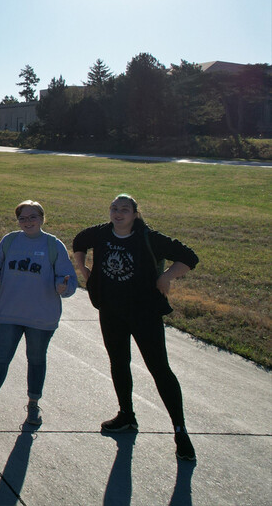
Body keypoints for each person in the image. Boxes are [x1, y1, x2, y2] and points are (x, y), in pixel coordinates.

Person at [72, 194, 200, 461]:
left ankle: (180, 431)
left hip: (145, 314)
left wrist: (166, 276)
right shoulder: (101, 233)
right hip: (111, 312)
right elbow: (80, 241)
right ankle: (126, 416)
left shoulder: (148, 237)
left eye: (124, 209)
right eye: (114, 208)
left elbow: (188, 257)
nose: (118, 213)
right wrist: (82, 267)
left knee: (159, 369)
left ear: (134, 213)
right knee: (119, 362)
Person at [0, 200, 77, 425]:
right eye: (22, 218)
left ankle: (33, 405)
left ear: (42, 218)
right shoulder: (10, 241)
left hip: (41, 317)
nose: (27, 222)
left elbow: (68, 279)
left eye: (32, 216)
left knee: (36, 360)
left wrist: (63, 287)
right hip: (9, 313)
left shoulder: (54, 245)